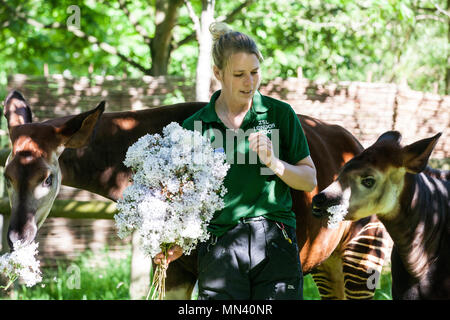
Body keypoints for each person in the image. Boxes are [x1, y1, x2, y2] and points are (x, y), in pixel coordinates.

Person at [154, 22, 317, 300]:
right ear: (218, 73)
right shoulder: (196, 127)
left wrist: (275, 162)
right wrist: (178, 240)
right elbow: (186, 197)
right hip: (220, 247)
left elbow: (309, 180)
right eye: (239, 74)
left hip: (276, 240)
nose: (249, 82)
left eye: (255, 73)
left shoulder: (279, 114)